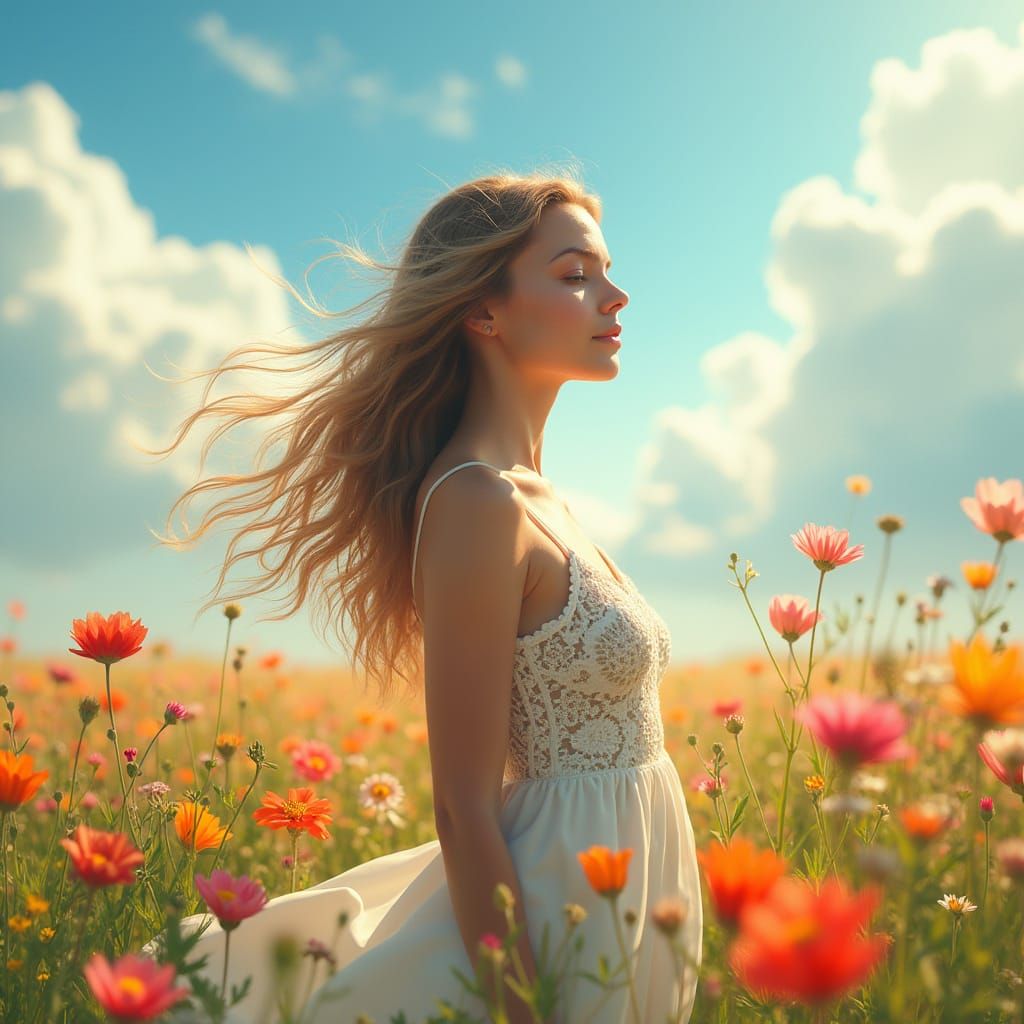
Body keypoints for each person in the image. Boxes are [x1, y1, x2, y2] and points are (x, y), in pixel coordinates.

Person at [144, 168, 703, 1022]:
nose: (615, 296)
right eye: (575, 274)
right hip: (558, 910)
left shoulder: (537, 495)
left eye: (605, 270)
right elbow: (461, 803)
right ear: (483, 310)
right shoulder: (480, 502)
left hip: (621, 886)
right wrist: (523, 1005)